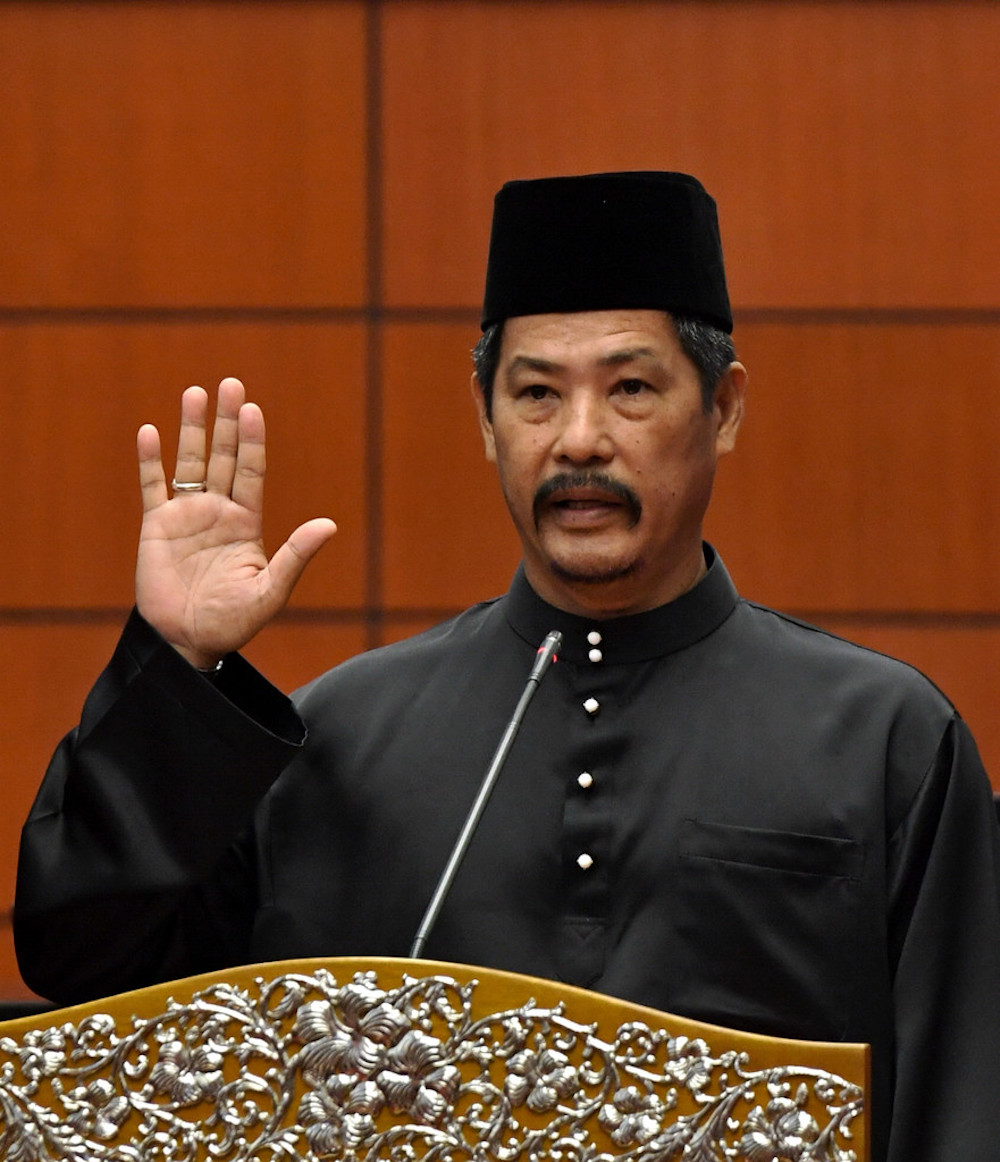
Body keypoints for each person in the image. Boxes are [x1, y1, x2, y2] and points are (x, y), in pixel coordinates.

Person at [14, 172, 1000, 1161]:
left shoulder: (881, 738)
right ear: (486, 418)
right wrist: (180, 668)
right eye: (535, 392)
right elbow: (90, 967)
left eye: (631, 388)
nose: (579, 439)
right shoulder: (341, 738)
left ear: (724, 408)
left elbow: (964, 1097)